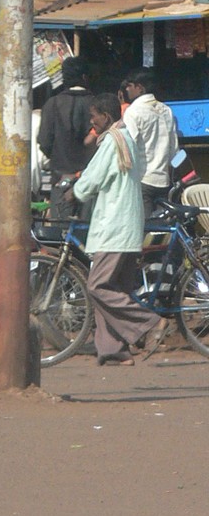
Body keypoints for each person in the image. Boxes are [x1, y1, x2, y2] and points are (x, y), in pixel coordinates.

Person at [71, 92, 167, 366]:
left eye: (94, 116)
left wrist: (74, 192)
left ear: (107, 116)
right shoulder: (126, 139)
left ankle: (149, 323)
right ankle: (114, 351)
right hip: (128, 225)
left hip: (114, 225)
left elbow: (91, 181)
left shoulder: (112, 143)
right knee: (114, 289)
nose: (92, 122)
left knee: (98, 286)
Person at [38, 55, 91, 219]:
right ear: (85, 77)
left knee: (59, 232)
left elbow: (44, 142)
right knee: (86, 231)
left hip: (60, 177)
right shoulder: (96, 103)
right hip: (90, 179)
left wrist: (58, 157)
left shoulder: (52, 104)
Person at [120, 69, 179, 209]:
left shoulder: (133, 111)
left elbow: (128, 147)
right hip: (164, 182)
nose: (126, 89)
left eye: (130, 85)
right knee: (162, 228)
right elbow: (174, 151)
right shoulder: (166, 110)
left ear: (140, 88)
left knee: (144, 227)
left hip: (142, 181)